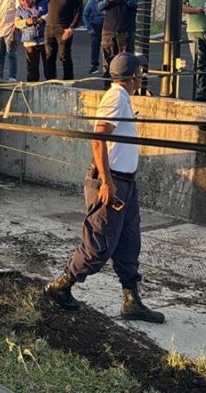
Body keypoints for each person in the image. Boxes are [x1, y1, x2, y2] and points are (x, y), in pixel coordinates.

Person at [44, 52, 165, 325]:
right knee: (98, 246)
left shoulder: (123, 97)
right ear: (132, 75)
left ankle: (131, 300)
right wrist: (108, 182)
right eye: (140, 71)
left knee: (129, 243)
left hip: (126, 183)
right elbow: (98, 138)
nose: (142, 75)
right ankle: (60, 286)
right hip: (112, 183)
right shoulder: (116, 96)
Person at [36, 0, 83, 81]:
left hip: (64, 29)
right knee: (49, 57)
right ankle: (51, 81)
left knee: (64, 57)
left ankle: (68, 82)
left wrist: (71, 28)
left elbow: (79, 11)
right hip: (49, 28)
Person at [98, 0, 138, 85]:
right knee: (108, 62)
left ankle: (125, 90)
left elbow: (139, 4)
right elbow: (98, 6)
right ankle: (107, 89)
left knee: (125, 63)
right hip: (109, 31)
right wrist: (108, 0)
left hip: (126, 31)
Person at [14, 0, 47, 82]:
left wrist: (43, 19)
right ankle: (32, 87)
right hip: (30, 42)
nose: (25, 1)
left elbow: (51, 14)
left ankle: (52, 85)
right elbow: (16, 23)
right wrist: (26, 21)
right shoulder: (19, 10)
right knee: (32, 68)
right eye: (22, 0)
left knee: (49, 66)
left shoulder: (42, 3)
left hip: (44, 39)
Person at [83, 0, 105, 75]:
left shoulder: (107, 1)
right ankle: (94, 65)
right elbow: (85, 14)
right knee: (95, 46)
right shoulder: (92, 2)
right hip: (96, 27)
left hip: (107, 26)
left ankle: (109, 65)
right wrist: (89, 27)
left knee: (108, 47)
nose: (98, 1)